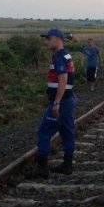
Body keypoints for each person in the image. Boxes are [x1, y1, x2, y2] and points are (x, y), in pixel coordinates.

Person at [34, 28, 77, 178]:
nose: (46, 41)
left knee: (44, 132)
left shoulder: (59, 57)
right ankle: (67, 165)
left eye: (48, 38)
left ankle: (42, 167)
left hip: (62, 102)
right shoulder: (67, 55)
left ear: (58, 39)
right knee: (67, 131)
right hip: (68, 99)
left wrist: (56, 103)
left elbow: (63, 79)